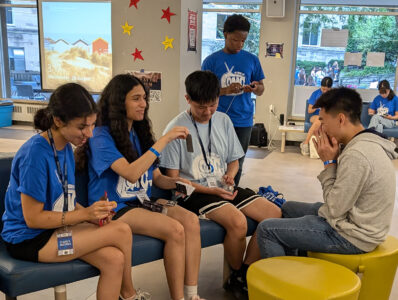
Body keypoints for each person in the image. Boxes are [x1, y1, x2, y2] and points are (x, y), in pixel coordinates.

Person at [1, 83, 149, 300]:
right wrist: (86, 215)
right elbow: (33, 219)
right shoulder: (35, 154)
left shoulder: (65, 147)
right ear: (58, 121)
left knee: (115, 259)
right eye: (82, 127)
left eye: (92, 125)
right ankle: (129, 295)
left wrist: (93, 216)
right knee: (122, 230)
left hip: (55, 229)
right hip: (29, 240)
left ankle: (127, 294)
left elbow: (66, 200)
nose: (89, 133)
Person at [160, 71, 281, 299]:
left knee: (273, 215)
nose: (207, 112)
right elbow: (174, 182)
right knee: (237, 222)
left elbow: (234, 161)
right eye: (200, 107)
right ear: (188, 99)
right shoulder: (176, 128)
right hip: (194, 193)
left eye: (212, 105)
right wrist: (208, 189)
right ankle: (238, 274)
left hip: (222, 187)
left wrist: (231, 175)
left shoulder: (224, 120)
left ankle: (241, 273)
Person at [82, 74, 204, 300]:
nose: (144, 104)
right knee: (175, 230)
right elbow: (130, 174)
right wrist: (164, 140)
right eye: (136, 99)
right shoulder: (100, 136)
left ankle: (191, 294)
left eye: (145, 98)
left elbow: (156, 178)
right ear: (119, 102)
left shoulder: (138, 132)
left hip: (143, 202)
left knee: (190, 221)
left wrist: (176, 183)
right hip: (115, 208)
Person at [247, 87, 397, 261]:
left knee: (267, 229)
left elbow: (334, 209)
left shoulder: (357, 155)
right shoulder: (365, 142)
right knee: (287, 208)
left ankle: (285, 284)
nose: (321, 128)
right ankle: (297, 260)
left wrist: (329, 164)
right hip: (353, 219)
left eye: (323, 122)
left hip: (354, 236)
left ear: (341, 119)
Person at [201, 14, 265, 186]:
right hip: (216, 119)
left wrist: (254, 87)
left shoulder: (252, 59)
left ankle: (231, 193)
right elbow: (203, 93)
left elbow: (261, 89)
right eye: (236, 40)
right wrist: (224, 90)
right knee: (214, 159)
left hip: (243, 120)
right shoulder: (211, 62)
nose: (240, 45)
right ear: (225, 34)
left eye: (243, 40)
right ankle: (212, 191)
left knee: (238, 162)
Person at [300, 77, 333, 156]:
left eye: (327, 90)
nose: (324, 91)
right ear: (320, 86)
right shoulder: (315, 94)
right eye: (323, 89)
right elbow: (309, 110)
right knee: (319, 120)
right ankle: (305, 143)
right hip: (315, 116)